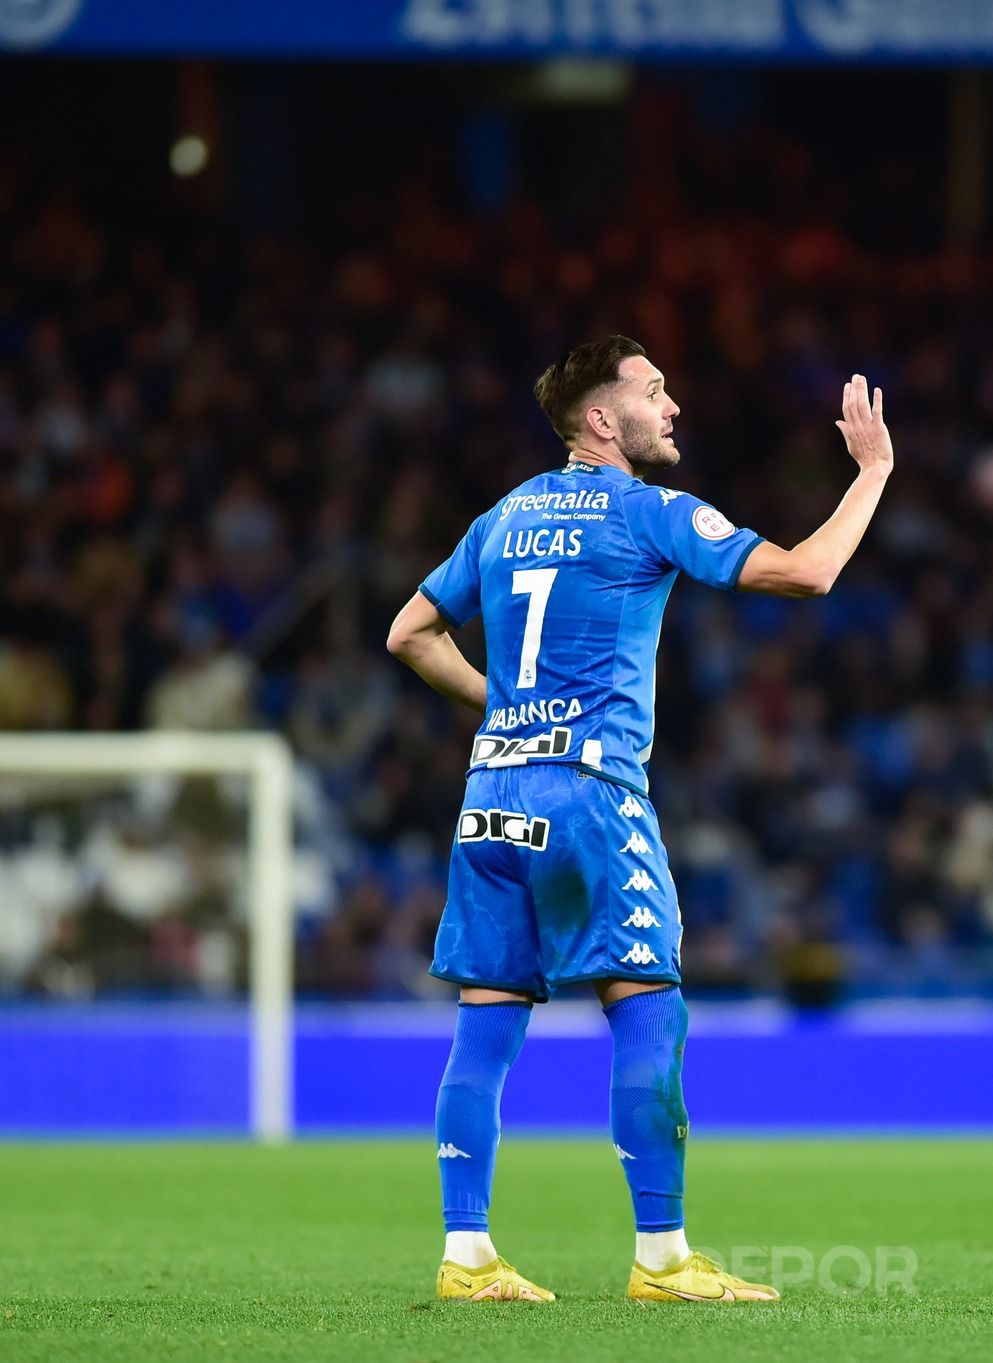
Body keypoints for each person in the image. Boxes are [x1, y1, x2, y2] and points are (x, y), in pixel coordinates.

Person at [386, 336, 894, 1304]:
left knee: (484, 1025)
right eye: (651, 391)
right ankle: (662, 1259)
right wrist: (869, 475)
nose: (671, 405)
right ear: (599, 420)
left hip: (490, 796)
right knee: (646, 1006)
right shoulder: (645, 513)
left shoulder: (503, 517)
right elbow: (805, 574)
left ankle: (466, 1255)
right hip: (589, 794)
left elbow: (407, 632)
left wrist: (501, 707)